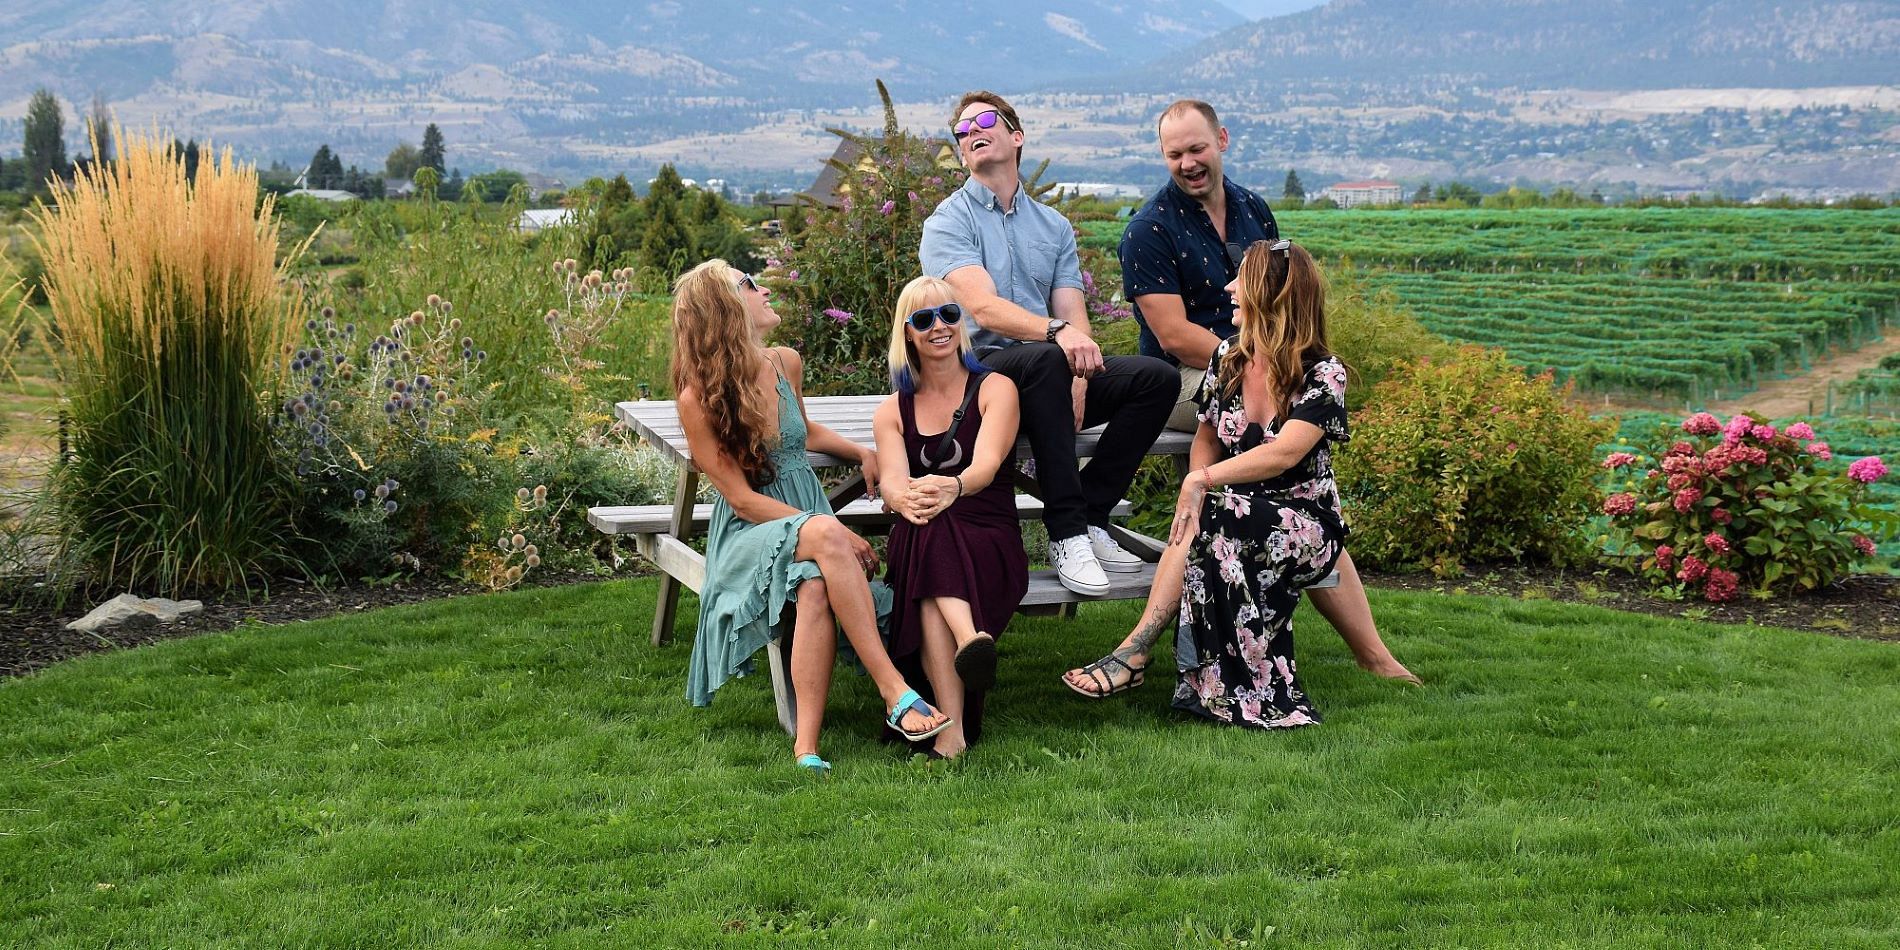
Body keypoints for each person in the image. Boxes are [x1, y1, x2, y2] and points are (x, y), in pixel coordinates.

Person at [1107, 98, 1417, 685]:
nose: (1187, 162)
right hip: (1189, 373)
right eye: (1174, 154)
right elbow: (1173, 335)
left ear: (1221, 140)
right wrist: (1245, 363)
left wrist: (1276, 364)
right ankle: (1168, 649)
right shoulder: (1148, 229)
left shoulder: (1254, 209)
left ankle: (1365, 651)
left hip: (1261, 359)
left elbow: (1283, 292)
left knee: (1279, 473)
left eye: (1196, 148)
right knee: (1263, 468)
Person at [673, 259, 951, 772]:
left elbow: (803, 429)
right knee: (825, 535)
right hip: (751, 533)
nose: (763, 289)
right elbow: (740, 499)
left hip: (807, 524)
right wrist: (836, 534)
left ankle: (806, 748)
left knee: (817, 586)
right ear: (724, 308)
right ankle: (895, 692)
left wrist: (860, 452)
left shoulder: (783, 362)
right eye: (749, 283)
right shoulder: (698, 397)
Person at [1063, 240, 1352, 728]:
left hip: (1307, 524)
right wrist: (1203, 482)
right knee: (1210, 517)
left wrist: (1202, 481)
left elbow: (1285, 452)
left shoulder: (1324, 373)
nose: (1229, 287)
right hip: (1232, 513)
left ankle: (1134, 653)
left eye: (1242, 279)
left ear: (1273, 294)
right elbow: (1206, 437)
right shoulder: (1229, 359)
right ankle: (1146, 657)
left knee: (1212, 512)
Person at [919, 89, 1177, 597]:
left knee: (1156, 379)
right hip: (976, 375)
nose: (970, 131)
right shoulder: (947, 221)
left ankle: (1094, 517)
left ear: (1016, 136)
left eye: (983, 120)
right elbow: (986, 309)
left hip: (1046, 370)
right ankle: (1066, 533)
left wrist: (1079, 373)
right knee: (1042, 359)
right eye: (960, 131)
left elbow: (1070, 310)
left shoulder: (1053, 226)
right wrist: (1061, 343)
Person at [874, 276, 1027, 759]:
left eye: (949, 314)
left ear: (962, 323)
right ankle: (969, 641)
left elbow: (984, 466)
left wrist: (951, 486)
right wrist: (905, 499)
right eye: (923, 320)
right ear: (908, 334)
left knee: (927, 561)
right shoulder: (892, 410)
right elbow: (893, 481)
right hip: (925, 530)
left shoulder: (996, 388)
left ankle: (951, 732)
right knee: (926, 526)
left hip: (988, 533)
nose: (938, 326)